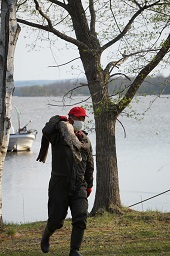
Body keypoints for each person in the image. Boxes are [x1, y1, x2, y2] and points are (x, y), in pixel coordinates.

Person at [36, 106, 94, 256]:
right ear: (71, 118)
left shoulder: (85, 140)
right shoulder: (58, 135)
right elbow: (46, 130)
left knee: (81, 216)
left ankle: (74, 250)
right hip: (59, 184)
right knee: (56, 220)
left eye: (83, 119)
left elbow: (90, 165)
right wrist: (57, 119)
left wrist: (89, 185)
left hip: (79, 184)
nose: (81, 121)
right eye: (78, 118)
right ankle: (46, 236)